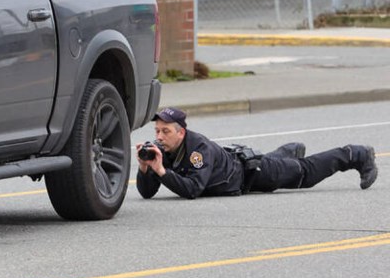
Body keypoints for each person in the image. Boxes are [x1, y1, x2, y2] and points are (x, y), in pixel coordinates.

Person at [136, 107, 378, 200]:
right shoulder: (164, 149)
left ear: (181, 132)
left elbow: (192, 190)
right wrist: (145, 168)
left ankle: (356, 155)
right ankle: (288, 151)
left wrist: (160, 171)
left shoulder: (198, 149)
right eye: (157, 130)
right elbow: (147, 193)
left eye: (165, 131)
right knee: (282, 162)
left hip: (252, 175)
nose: (159, 136)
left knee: (305, 173)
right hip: (240, 166)